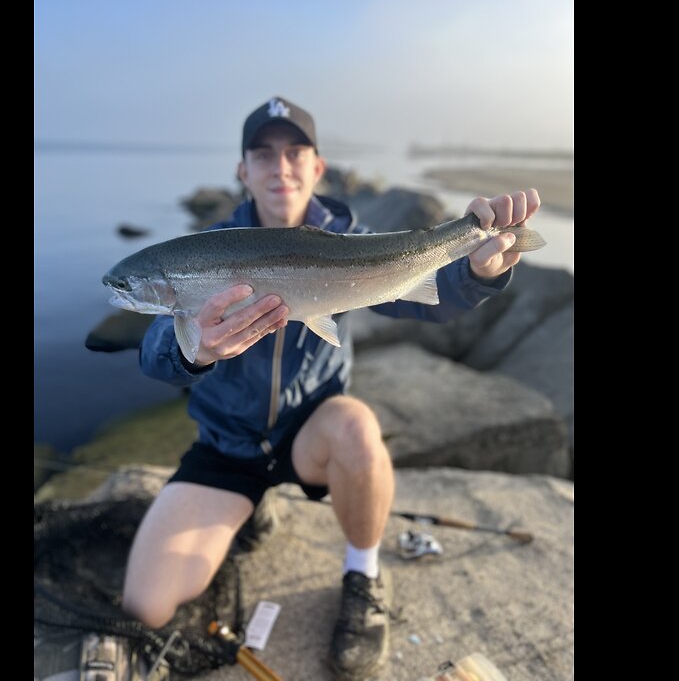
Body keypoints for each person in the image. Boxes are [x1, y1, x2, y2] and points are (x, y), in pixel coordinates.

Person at [120, 96, 540, 680]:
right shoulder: (206, 250)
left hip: (310, 435)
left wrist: (478, 266)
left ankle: (364, 572)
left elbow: (435, 297)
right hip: (228, 446)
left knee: (356, 425)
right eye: (263, 154)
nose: (280, 166)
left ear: (318, 167)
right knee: (147, 603)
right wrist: (190, 348)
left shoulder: (353, 240)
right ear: (243, 171)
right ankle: (255, 508)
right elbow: (153, 360)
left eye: (296, 152)